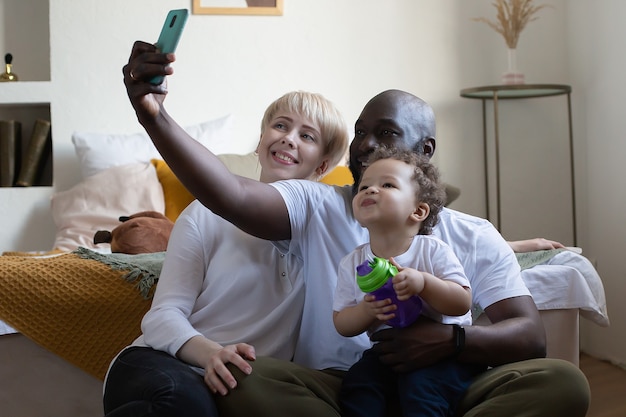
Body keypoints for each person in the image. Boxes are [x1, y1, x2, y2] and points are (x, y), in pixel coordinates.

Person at [121, 40, 590, 417]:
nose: (364, 145)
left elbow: (529, 336)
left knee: (563, 381)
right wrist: (154, 116)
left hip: (448, 376)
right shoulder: (317, 203)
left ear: (424, 151)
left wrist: (450, 342)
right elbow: (230, 195)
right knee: (248, 380)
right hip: (338, 388)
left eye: (383, 133)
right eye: (360, 132)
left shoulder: (474, 235)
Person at [102, 90, 349, 416]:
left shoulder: (330, 236)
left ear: (324, 164)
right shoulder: (204, 214)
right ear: (261, 140)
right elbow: (162, 317)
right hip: (167, 360)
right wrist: (210, 355)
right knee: (187, 405)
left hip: (245, 383)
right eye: (280, 126)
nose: (289, 139)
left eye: (306, 135)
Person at [333, 147, 481, 417]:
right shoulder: (353, 263)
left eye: (387, 184)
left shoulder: (432, 250)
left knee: (421, 391)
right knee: (359, 385)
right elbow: (341, 322)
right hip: (387, 352)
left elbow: (462, 302)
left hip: (442, 355)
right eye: (364, 185)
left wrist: (424, 283)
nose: (370, 190)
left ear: (418, 210)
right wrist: (366, 311)